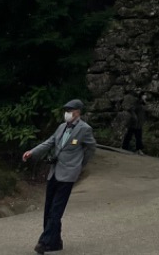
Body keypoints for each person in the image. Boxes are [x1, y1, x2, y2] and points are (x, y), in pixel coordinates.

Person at [22, 97, 97, 254]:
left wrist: (80, 165)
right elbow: (49, 142)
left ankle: (44, 242)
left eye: (69, 111)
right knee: (49, 208)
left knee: (56, 210)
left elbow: (91, 148)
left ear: (77, 112)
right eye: (66, 111)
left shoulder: (84, 129)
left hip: (68, 174)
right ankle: (55, 242)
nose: (67, 114)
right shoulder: (62, 127)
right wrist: (32, 152)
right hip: (54, 172)